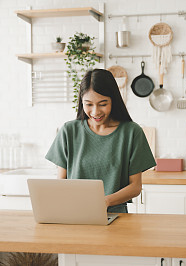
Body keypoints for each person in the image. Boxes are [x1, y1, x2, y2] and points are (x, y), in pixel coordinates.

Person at [45, 69, 156, 213]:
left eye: (103, 104)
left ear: (113, 101)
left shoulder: (131, 132)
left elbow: (135, 187)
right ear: (81, 102)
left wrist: (105, 202)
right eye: (89, 104)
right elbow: (61, 182)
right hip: (74, 214)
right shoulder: (69, 131)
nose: (95, 112)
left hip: (116, 216)